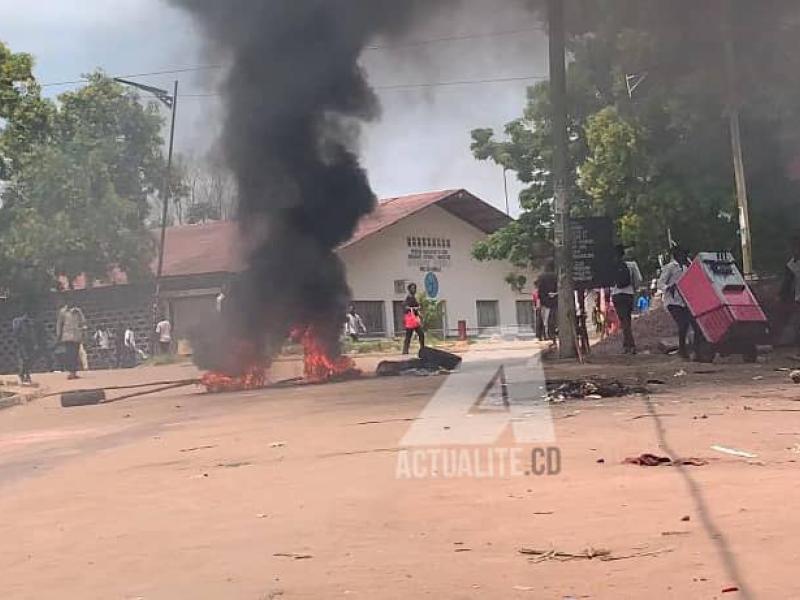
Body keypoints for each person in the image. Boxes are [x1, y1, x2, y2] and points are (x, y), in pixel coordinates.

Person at [658, 245, 695, 359]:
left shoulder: (686, 267)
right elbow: (660, 283)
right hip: (672, 301)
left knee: (689, 324)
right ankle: (682, 349)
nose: (685, 256)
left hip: (684, 301)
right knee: (682, 323)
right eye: (683, 254)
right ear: (677, 255)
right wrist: (668, 287)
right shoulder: (670, 267)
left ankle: (687, 348)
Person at [611, 244, 643, 354]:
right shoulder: (632, 265)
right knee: (627, 319)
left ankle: (630, 345)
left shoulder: (611, 266)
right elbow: (639, 279)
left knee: (624, 321)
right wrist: (633, 288)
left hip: (617, 295)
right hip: (628, 294)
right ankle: (628, 344)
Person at [56, 302, 87, 379]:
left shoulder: (78, 311)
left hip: (76, 336)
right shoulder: (63, 312)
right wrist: (58, 335)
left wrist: (83, 332)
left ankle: (74, 372)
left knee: (75, 355)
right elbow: (59, 324)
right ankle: (71, 372)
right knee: (69, 354)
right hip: (67, 336)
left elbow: (83, 322)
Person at [780, 236, 800, 355]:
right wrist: (782, 296)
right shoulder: (792, 264)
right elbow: (787, 283)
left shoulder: (792, 264)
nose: (794, 251)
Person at [12, 311, 37, 384]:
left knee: (30, 359)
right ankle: (25, 375)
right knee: (25, 358)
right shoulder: (18, 321)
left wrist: (35, 343)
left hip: (30, 343)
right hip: (22, 342)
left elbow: (33, 333)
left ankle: (24, 374)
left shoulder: (31, 322)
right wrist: (19, 340)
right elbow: (15, 332)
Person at [536, 261, 558, 342]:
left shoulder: (541, 277)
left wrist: (541, 300)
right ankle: (553, 335)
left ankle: (545, 335)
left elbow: (540, 291)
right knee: (554, 319)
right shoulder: (557, 276)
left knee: (545, 320)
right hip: (556, 300)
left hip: (545, 302)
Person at [401, 283, 425, 354]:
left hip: (415, 320)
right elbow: (404, 306)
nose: (414, 289)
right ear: (409, 289)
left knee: (421, 334)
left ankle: (422, 349)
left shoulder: (414, 298)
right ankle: (405, 350)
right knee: (408, 336)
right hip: (410, 320)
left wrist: (417, 309)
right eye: (412, 288)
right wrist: (412, 308)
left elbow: (418, 306)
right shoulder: (408, 298)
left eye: (414, 288)